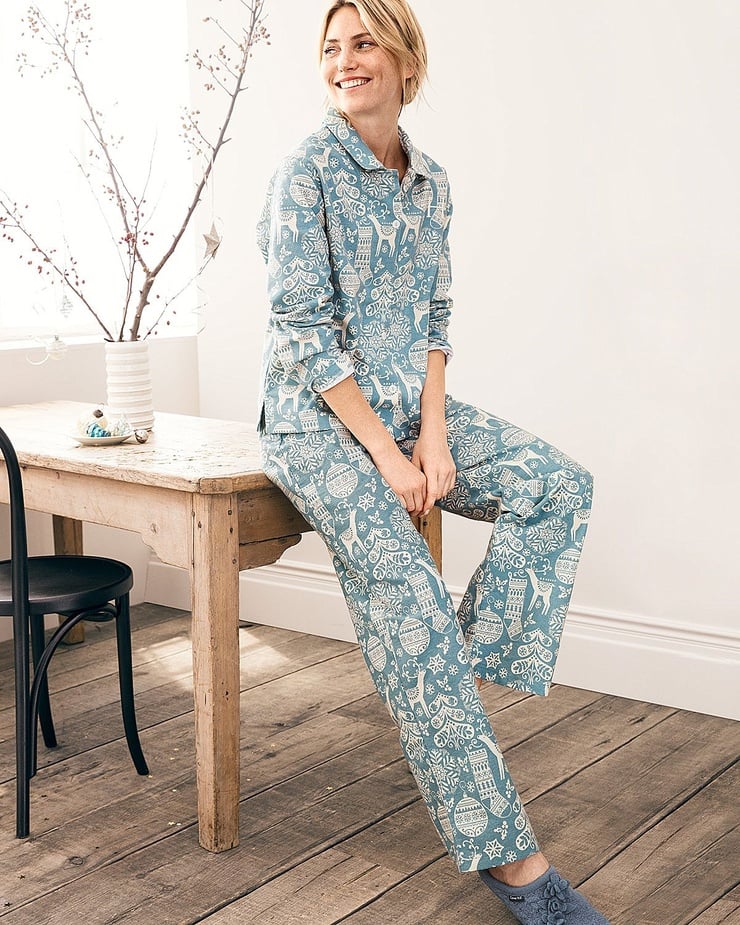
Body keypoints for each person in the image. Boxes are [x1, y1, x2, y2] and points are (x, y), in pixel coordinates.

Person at [257, 2, 606, 922]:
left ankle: (446, 679)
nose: (344, 61)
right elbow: (301, 334)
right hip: (315, 421)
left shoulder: (433, 184)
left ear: (406, 60)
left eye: (363, 43)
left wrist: (434, 434)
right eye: (331, 48)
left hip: (408, 405)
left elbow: (436, 320)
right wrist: (385, 452)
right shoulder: (304, 172)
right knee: (412, 601)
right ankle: (519, 869)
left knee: (555, 485)